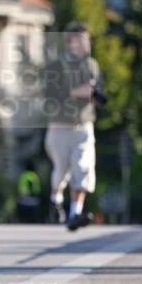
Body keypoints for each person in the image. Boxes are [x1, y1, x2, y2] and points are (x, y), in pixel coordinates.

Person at [44, 22, 105, 231]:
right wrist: (76, 92)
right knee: (61, 170)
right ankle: (55, 199)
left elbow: (97, 92)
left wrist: (94, 95)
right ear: (71, 43)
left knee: (83, 166)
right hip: (59, 126)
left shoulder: (92, 66)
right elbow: (51, 95)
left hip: (83, 125)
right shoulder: (57, 66)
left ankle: (75, 213)